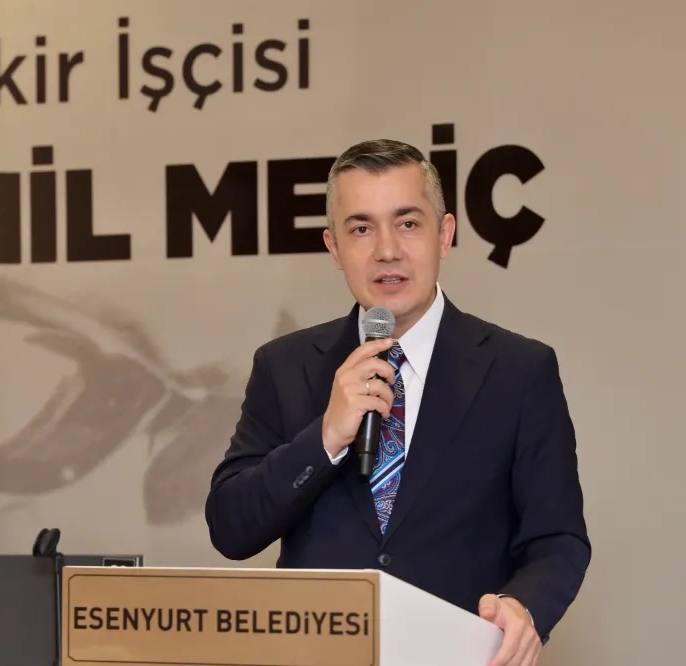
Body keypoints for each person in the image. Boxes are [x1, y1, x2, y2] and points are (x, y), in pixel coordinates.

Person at [204, 139, 590, 666]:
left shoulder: (519, 370)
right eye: (361, 229)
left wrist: (525, 607)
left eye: (407, 223)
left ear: (444, 235)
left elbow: (558, 538)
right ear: (334, 248)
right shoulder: (286, 366)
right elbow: (231, 528)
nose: (387, 250)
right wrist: (325, 437)